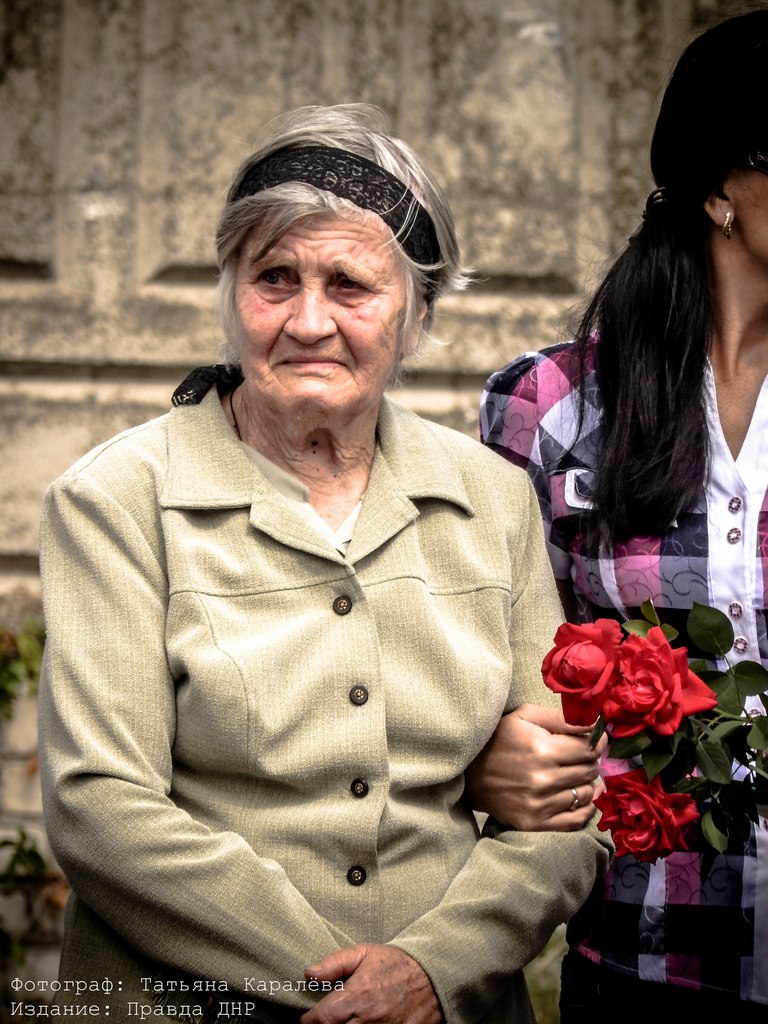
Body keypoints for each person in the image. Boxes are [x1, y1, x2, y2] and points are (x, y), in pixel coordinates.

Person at [37, 103, 611, 1024]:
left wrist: (434, 969)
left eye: (351, 284)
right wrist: (348, 988)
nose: (308, 320)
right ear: (229, 292)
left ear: (416, 315)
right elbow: (100, 808)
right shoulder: (117, 499)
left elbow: (560, 808)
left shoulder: (491, 499)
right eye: (274, 278)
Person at [478, 9, 768, 1021]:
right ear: (722, 186)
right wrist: (493, 763)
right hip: (646, 960)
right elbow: (482, 676)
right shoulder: (552, 410)